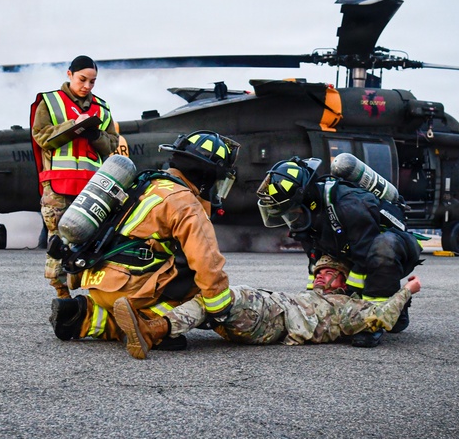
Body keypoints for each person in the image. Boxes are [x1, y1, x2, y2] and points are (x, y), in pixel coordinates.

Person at [49, 131, 239, 349]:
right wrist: (219, 308)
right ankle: (149, 325)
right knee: (199, 278)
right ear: (206, 177)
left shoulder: (146, 183)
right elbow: (207, 262)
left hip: (97, 283)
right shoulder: (185, 202)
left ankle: (85, 316)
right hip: (130, 291)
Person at [253, 157, 423, 347]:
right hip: (355, 247)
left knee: (381, 250)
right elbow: (315, 261)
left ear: (306, 199)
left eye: (290, 211)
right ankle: (394, 308)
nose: (289, 218)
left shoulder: (350, 206)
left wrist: (354, 308)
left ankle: (372, 324)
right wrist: (313, 301)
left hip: (393, 246)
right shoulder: (307, 218)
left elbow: (363, 260)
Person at [113, 275, 421, 358]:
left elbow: (382, 317)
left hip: (274, 319)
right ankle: (152, 329)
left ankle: (152, 331)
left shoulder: (349, 308)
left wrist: (408, 289)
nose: (320, 277)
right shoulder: (316, 295)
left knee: (225, 294)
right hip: (265, 317)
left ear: (342, 282)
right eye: (319, 271)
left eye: (329, 273)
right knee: (205, 296)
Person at [31, 55, 119, 299]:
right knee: (57, 241)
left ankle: (94, 293)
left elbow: (112, 145)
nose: (87, 86)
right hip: (58, 187)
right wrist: (73, 126)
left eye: (93, 82)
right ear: (69, 74)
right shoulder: (49, 102)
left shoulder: (102, 108)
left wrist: (94, 134)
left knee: (94, 240)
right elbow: (42, 138)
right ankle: (62, 294)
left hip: (91, 188)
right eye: (83, 80)